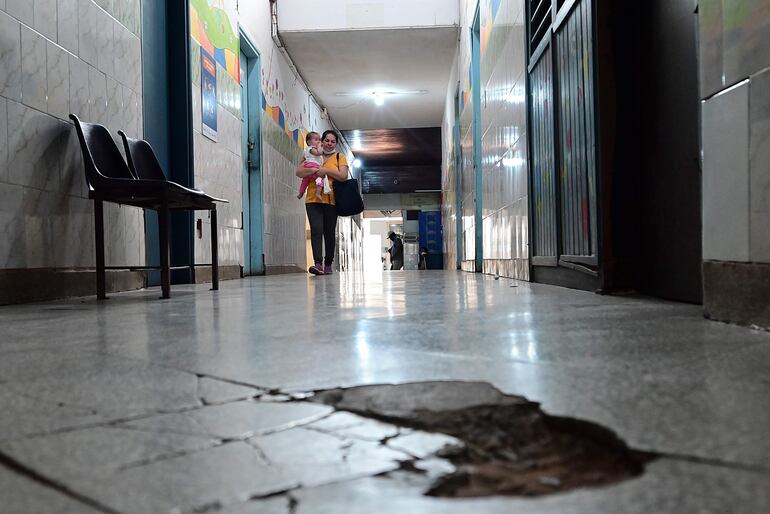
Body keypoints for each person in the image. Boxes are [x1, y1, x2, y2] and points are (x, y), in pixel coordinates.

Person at [296, 130, 349, 275]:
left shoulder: (340, 157)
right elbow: (299, 172)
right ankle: (317, 263)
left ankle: (328, 264)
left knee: (329, 233)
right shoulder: (311, 154)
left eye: (333, 142)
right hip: (313, 199)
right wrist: (313, 170)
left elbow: (343, 176)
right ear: (321, 141)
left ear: (336, 144)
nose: (329, 144)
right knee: (316, 229)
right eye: (327, 140)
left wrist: (324, 170)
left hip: (331, 200)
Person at [296, 131, 330, 200]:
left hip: (309, 167)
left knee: (305, 181)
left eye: (319, 140)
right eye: (316, 140)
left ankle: (301, 193)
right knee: (321, 178)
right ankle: (318, 193)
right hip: (312, 166)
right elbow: (319, 153)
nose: (318, 141)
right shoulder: (311, 149)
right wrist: (320, 147)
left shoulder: (308, 151)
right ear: (309, 142)